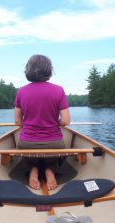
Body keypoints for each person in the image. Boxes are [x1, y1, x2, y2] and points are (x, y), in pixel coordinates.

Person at [14, 54, 70, 190]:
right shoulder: (58, 90)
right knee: (52, 154)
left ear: (29, 69)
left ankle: (33, 169)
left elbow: (17, 122)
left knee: (31, 155)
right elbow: (66, 121)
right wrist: (55, 121)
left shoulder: (21, 91)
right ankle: (49, 170)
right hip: (54, 144)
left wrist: (28, 122)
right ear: (49, 70)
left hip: (27, 144)